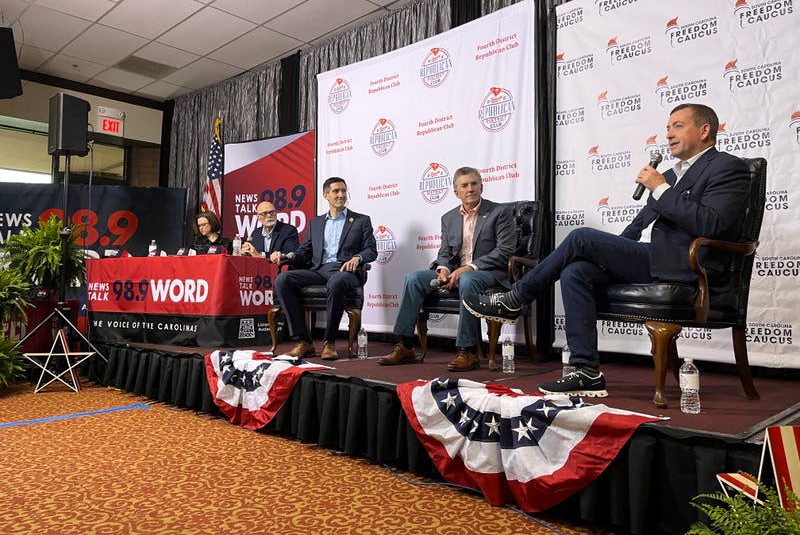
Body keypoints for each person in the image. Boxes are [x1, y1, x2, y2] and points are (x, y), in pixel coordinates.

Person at [463, 103, 751, 396]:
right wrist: (612, 256)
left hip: (691, 266)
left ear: (705, 131)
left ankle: (515, 298)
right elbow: (637, 228)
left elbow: (712, 224)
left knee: (581, 238)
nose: (668, 135)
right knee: (577, 271)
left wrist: (661, 189)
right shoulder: (671, 175)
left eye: (678, 126)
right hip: (658, 262)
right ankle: (586, 370)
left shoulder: (727, 167)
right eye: (667, 128)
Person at [377, 166, 516, 372]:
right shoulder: (449, 218)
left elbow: (505, 251)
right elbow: (445, 252)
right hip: (456, 273)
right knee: (414, 278)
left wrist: (469, 267)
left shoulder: (499, 212)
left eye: (474, 184)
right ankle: (405, 345)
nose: (470, 189)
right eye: (464, 185)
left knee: (469, 279)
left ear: (481, 187)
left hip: (489, 274)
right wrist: (443, 268)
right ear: (456, 192)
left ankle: (467, 351)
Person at [273, 177, 377, 361]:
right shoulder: (316, 223)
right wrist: (286, 256)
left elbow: (371, 250)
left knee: (337, 281)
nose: (341, 195)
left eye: (344, 191)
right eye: (336, 191)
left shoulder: (361, 221)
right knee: (283, 280)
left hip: (346, 272)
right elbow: (304, 252)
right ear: (325, 195)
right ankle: (305, 341)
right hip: (319, 270)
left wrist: (358, 257)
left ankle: (329, 342)